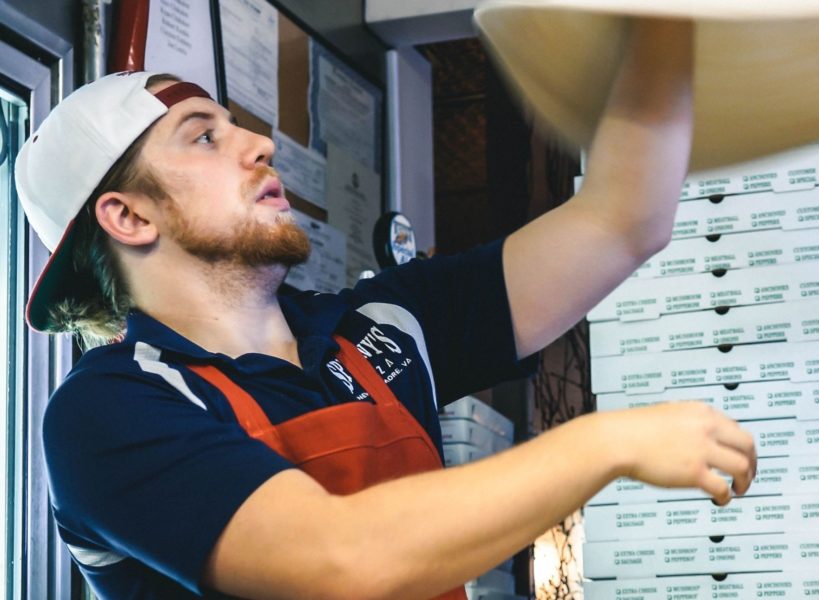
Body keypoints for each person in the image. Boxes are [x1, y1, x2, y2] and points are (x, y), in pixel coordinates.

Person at [16, 19, 757, 600]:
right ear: (129, 217)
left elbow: (625, 221)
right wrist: (602, 445)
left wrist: (665, 39)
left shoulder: (380, 326)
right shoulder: (110, 412)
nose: (260, 145)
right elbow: (342, 559)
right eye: (205, 138)